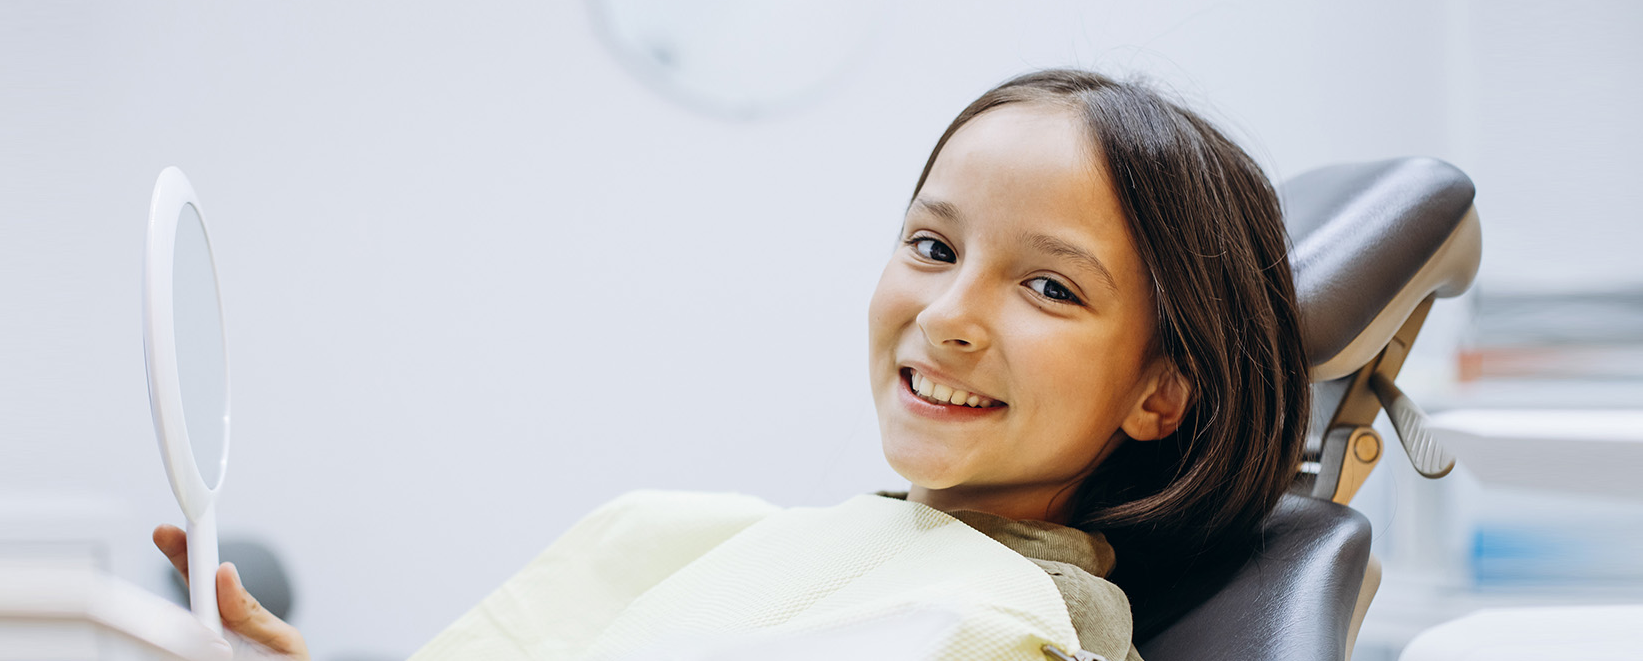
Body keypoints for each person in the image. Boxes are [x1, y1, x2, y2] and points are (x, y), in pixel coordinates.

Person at [152, 68, 1310, 660]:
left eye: (1048, 286)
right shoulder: (723, 536)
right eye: (932, 245)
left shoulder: (988, 628)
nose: (950, 315)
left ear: (1162, 391)